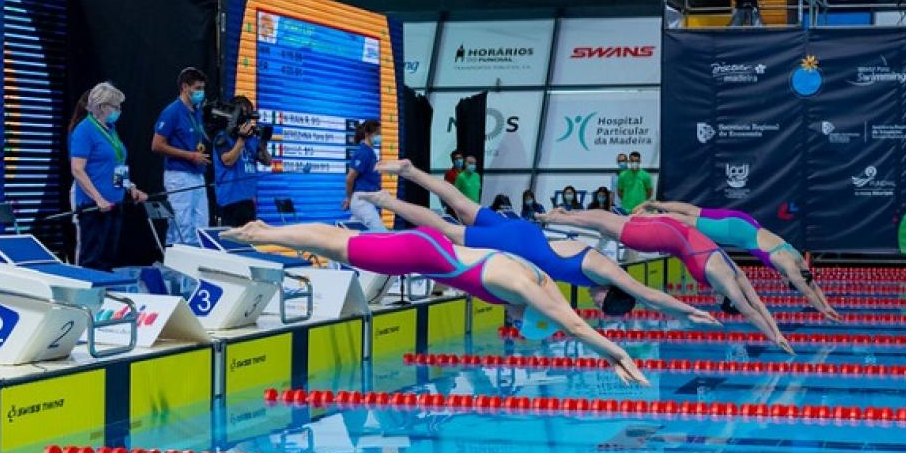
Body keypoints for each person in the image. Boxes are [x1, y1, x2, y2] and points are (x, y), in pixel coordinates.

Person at [223, 220, 648, 386]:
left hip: (431, 247)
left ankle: (268, 230)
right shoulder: (524, 290)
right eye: (519, 322)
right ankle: (263, 233)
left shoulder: (542, 282)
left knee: (340, 242)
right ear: (530, 312)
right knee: (337, 247)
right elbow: (573, 325)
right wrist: (615, 353)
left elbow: (568, 315)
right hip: (424, 255)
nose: (511, 319)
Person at [368, 160, 719, 327]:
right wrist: (690, 311)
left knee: (462, 206)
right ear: (606, 297)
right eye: (601, 304)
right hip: (521, 246)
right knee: (451, 233)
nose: (595, 303)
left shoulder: (599, 276)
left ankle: (411, 172)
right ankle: (388, 202)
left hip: (525, 235)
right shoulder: (605, 274)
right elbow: (649, 295)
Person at [540, 205, 793, 353]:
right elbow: (750, 310)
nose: (714, 298)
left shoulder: (736, 272)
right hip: (662, 237)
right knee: (606, 226)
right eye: (720, 301)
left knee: (608, 221)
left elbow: (758, 303)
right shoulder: (723, 279)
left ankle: (562, 214)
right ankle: (555, 218)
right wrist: (772, 338)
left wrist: (778, 333)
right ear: (725, 298)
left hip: (672, 228)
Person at [635, 200, 840, 321]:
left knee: (693, 210)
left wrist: (827, 303)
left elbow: (811, 283)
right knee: (687, 221)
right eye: (788, 283)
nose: (785, 282)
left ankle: (653, 204)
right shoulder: (789, 267)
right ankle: (642, 217)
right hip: (737, 233)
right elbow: (806, 290)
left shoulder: (797, 259)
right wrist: (824, 311)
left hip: (746, 221)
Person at [69, 82, 148, 271]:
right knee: (93, 260)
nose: (119, 111)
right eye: (116, 107)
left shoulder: (110, 130)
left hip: (115, 204)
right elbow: (77, 169)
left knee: (108, 259)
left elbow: (117, 164)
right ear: (102, 106)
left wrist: (131, 188)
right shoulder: (85, 130)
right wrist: (98, 199)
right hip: (94, 207)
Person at [151, 68, 212, 245]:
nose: (201, 92)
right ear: (185, 87)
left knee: (201, 225)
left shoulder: (197, 112)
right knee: (181, 224)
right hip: (179, 175)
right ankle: (177, 272)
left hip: (198, 175)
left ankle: (195, 269)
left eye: (203, 88)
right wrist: (190, 156)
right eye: (198, 88)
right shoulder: (172, 111)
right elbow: (156, 145)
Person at [213, 95, 273, 227]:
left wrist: (263, 144)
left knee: (248, 242)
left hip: (248, 200)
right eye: (243, 114)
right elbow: (228, 161)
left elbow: (268, 161)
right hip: (230, 200)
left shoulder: (251, 139)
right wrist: (241, 140)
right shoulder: (223, 137)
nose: (246, 119)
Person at [343, 119, 385, 232]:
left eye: (380, 134)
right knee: (381, 234)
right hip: (362, 201)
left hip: (364, 200)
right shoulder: (363, 152)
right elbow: (350, 178)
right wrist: (349, 199)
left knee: (351, 235)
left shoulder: (370, 152)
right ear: (367, 134)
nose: (380, 137)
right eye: (377, 134)